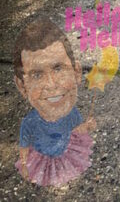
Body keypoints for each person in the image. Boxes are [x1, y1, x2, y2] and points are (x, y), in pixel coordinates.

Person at [13, 17, 96, 186]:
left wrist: (87, 127)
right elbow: (24, 146)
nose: (51, 85)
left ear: (77, 72)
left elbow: (77, 132)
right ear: (22, 86)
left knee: (67, 177)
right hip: (41, 160)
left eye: (58, 68)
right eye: (36, 75)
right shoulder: (29, 122)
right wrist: (24, 164)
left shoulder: (72, 113)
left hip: (66, 154)